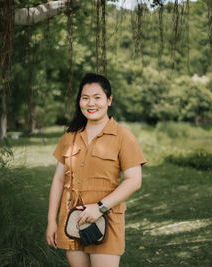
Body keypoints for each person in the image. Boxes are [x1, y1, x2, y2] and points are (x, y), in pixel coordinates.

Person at [46, 73, 146, 267]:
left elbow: (134, 180)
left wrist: (100, 207)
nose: (91, 103)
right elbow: (58, 180)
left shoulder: (123, 137)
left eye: (97, 97)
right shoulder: (70, 137)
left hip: (106, 222)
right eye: (85, 98)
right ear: (79, 102)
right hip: (72, 222)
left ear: (109, 100)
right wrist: (52, 221)